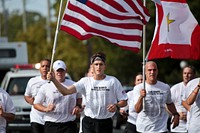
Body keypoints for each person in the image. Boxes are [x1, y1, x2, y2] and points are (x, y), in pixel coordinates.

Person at [47, 52, 127, 133]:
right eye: (96, 64)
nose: (98, 67)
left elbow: (124, 101)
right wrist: (54, 80)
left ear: (104, 66)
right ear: (92, 67)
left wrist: (116, 105)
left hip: (105, 122)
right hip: (89, 122)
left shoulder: (113, 81)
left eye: (101, 64)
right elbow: (65, 91)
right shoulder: (85, 81)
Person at [33, 60, 82, 133]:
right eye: (57, 71)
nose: (60, 73)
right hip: (52, 124)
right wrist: (46, 109)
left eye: (62, 70)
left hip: (69, 124)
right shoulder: (46, 87)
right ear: (53, 71)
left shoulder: (73, 85)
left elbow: (79, 97)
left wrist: (78, 106)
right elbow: (36, 104)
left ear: (66, 71)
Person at [132, 61, 179, 133]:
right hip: (144, 129)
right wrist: (141, 97)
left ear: (157, 71)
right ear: (145, 72)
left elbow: (169, 103)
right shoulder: (139, 88)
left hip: (161, 129)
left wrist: (176, 115)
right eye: (149, 70)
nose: (152, 72)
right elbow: (137, 110)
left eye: (154, 70)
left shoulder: (165, 87)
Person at [24, 59, 51, 133]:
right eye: (43, 66)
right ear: (40, 68)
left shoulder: (54, 82)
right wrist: (29, 100)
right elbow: (26, 96)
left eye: (47, 66)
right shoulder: (33, 81)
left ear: (51, 68)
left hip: (50, 118)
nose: (45, 68)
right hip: (36, 118)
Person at [170, 65, 196, 133]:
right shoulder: (175, 89)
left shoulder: (197, 89)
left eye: (189, 73)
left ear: (194, 75)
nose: (186, 75)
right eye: (184, 73)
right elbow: (167, 105)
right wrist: (176, 114)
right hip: (178, 128)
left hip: (192, 127)